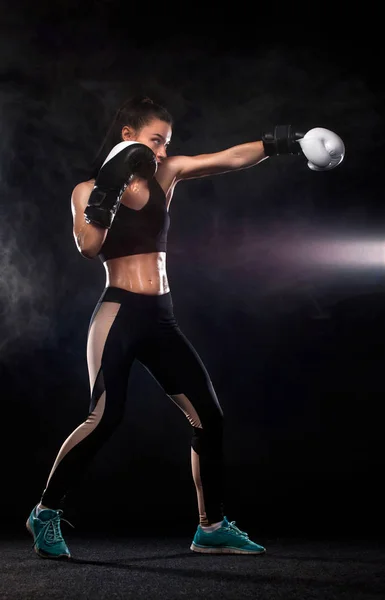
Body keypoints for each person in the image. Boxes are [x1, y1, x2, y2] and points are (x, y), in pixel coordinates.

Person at [26, 96, 344, 559]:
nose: (160, 152)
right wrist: (107, 192)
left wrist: (285, 142)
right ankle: (45, 512)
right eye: (155, 141)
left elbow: (227, 159)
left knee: (209, 419)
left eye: (166, 143)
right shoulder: (86, 188)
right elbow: (88, 247)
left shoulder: (165, 175)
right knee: (104, 417)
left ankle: (210, 526)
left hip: (161, 316)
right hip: (119, 312)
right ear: (127, 137)